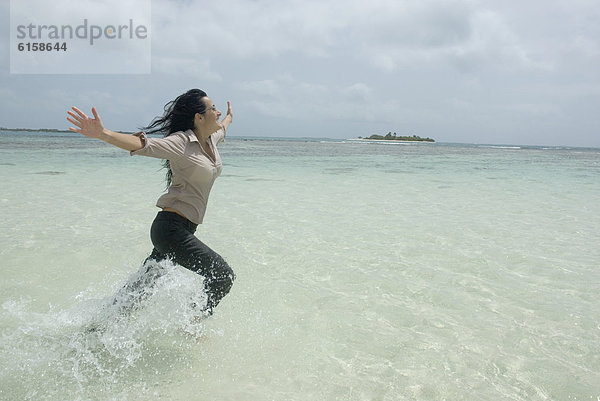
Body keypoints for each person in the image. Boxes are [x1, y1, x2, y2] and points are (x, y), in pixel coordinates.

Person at [66, 89, 235, 316]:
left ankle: (96, 329)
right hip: (171, 230)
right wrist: (103, 133)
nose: (218, 112)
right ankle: (192, 324)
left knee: (136, 296)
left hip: (181, 230)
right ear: (199, 117)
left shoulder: (211, 139)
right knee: (223, 275)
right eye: (213, 108)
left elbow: (224, 126)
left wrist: (229, 117)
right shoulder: (181, 142)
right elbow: (143, 144)